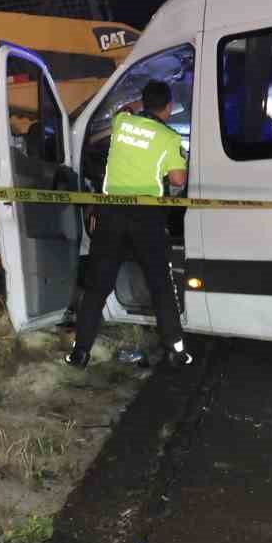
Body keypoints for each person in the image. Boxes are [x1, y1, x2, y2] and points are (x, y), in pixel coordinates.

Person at [66, 79, 192, 368]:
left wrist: (138, 106)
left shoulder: (123, 123)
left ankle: (80, 352)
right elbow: (177, 180)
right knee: (160, 285)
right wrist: (180, 160)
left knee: (98, 286)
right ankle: (176, 350)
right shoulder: (169, 137)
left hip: (110, 212)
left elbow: (123, 109)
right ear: (169, 108)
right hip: (145, 215)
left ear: (144, 103)